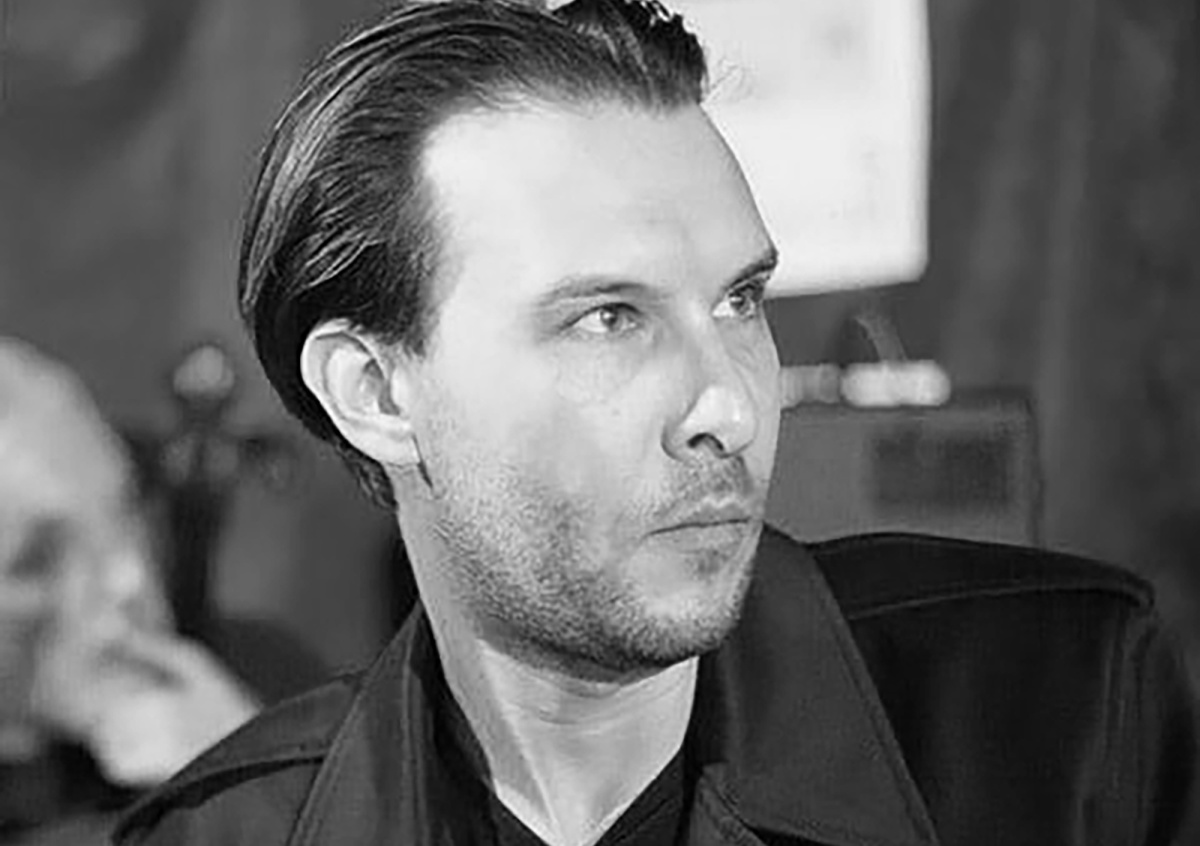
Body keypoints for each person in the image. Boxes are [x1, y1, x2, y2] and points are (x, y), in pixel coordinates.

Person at [114, 1, 1200, 844]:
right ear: (375, 392)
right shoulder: (224, 833)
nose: (730, 403)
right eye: (609, 319)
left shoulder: (1066, 720)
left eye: (739, 301)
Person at [0, 337, 321, 844]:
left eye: (124, 510)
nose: (127, 578)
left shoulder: (274, 682)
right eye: (37, 560)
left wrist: (261, 783)